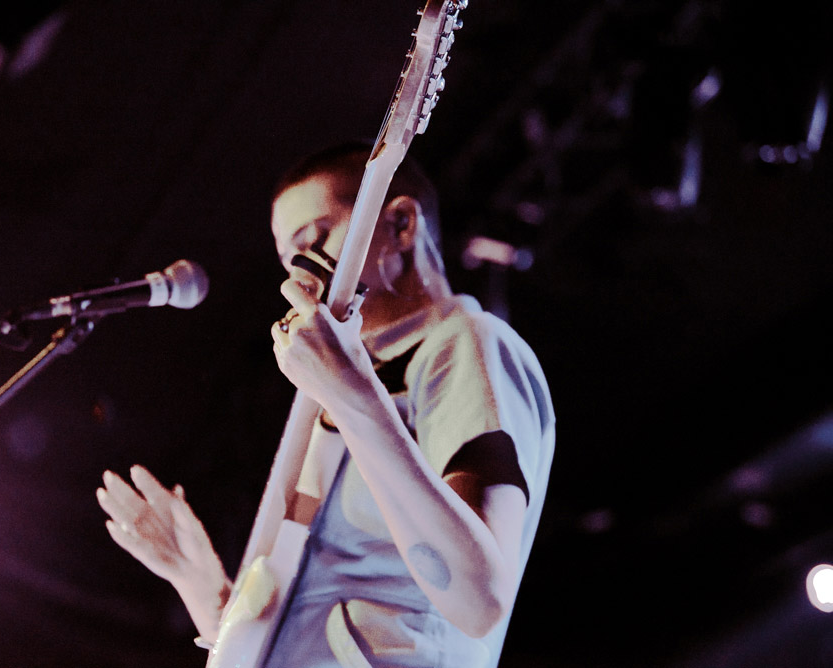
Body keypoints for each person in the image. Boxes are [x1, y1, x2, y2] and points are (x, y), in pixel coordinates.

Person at [96, 143, 555, 667]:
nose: (301, 277)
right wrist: (205, 588)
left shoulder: (462, 341)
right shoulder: (345, 390)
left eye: (315, 241)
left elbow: (480, 601)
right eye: (287, 262)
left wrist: (353, 396)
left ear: (402, 225)